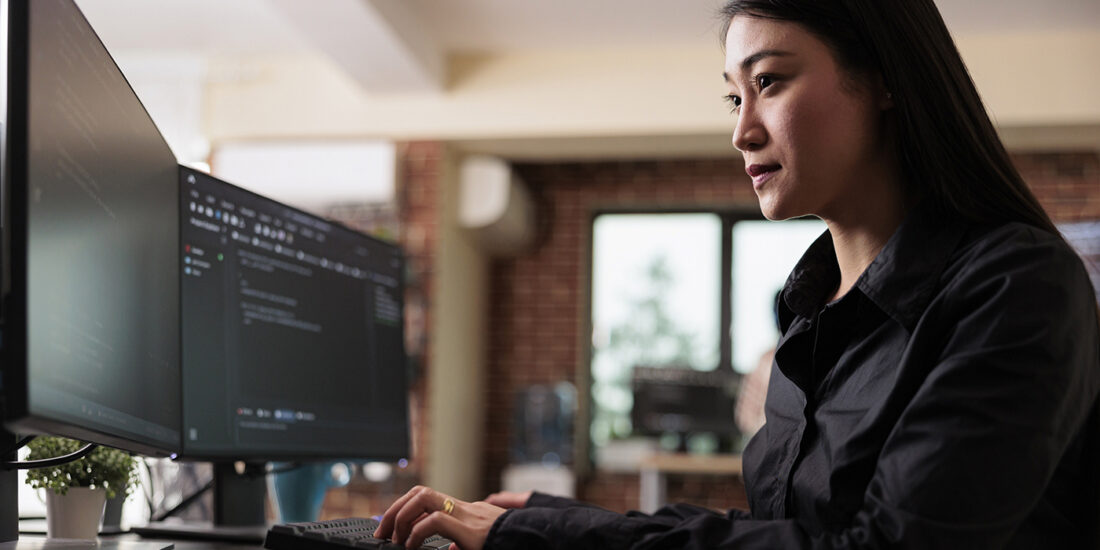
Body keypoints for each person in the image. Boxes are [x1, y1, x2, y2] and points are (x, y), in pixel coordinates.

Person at [373, 0, 1100, 548]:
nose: (740, 129)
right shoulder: (812, 316)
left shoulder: (1016, 287)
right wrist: (551, 516)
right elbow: (780, 532)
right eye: (733, 95)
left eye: (770, 82)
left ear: (883, 80)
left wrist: (554, 539)